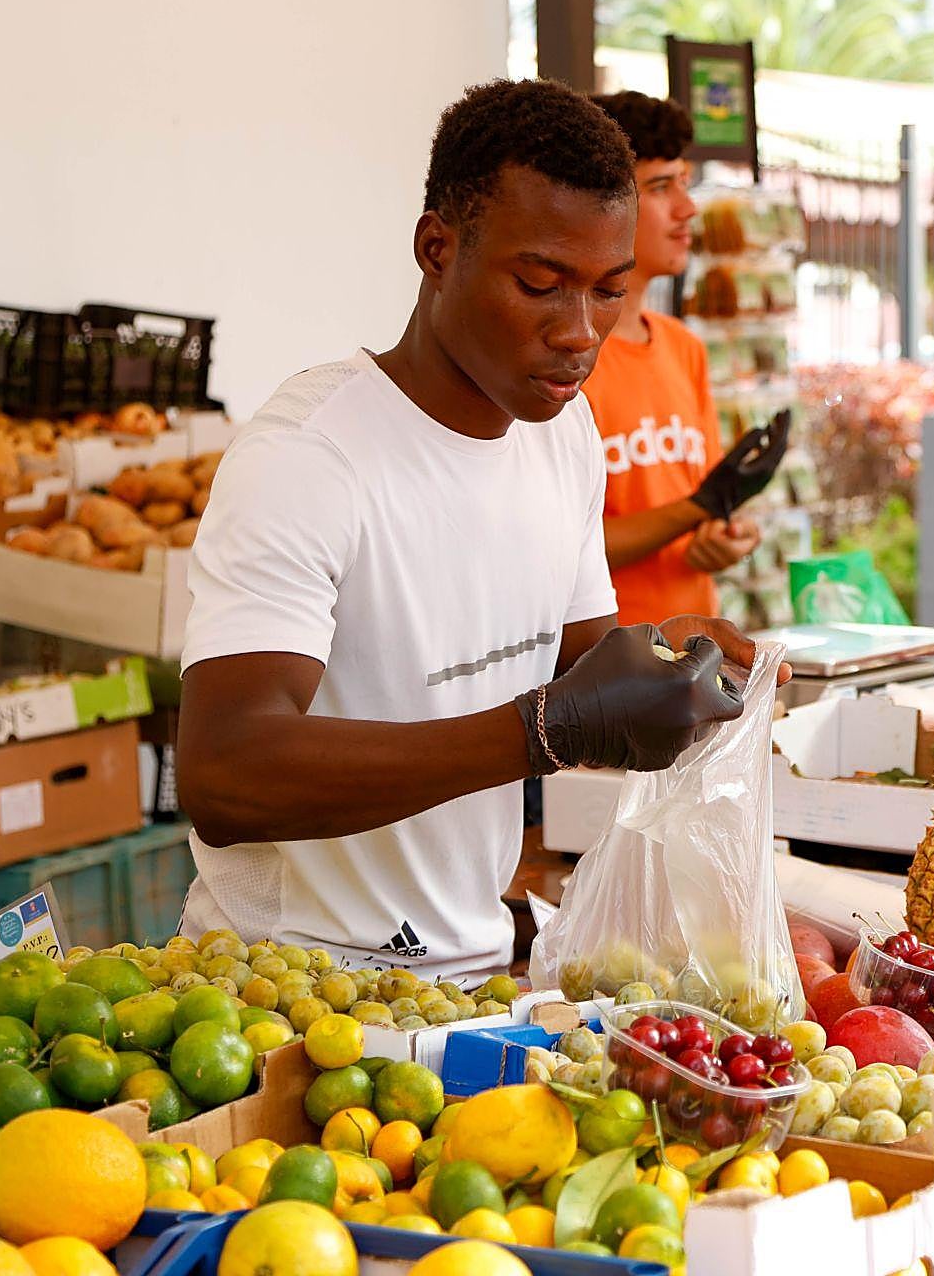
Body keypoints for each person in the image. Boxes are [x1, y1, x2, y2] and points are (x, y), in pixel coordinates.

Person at [174, 79, 778, 981]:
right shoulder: (309, 459)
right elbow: (226, 774)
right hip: (284, 992)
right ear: (437, 250)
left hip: (470, 973)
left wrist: (666, 665)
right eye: (541, 285)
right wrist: (541, 732)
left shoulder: (564, 438)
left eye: (610, 292)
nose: (580, 333)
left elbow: (579, 661)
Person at [582, 90, 789, 626]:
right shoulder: (568, 360)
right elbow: (562, 549)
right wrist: (698, 509)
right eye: (660, 187)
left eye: (683, 182)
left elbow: (695, 506)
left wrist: (717, 534)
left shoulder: (684, 348)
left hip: (695, 660)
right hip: (603, 670)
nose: (688, 207)